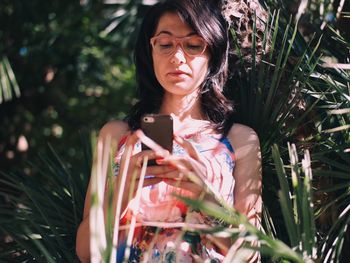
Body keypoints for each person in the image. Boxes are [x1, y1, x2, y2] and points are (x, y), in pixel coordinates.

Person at [76, 0, 262, 262]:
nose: (177, 57)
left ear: (213, 55)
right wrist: (122, 192)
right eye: (165, 44)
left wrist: (207, 200)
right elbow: (85, 252)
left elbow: (251, 255)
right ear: (150, 51)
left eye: (193, 45)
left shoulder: (239, 139)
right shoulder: (116, 135)